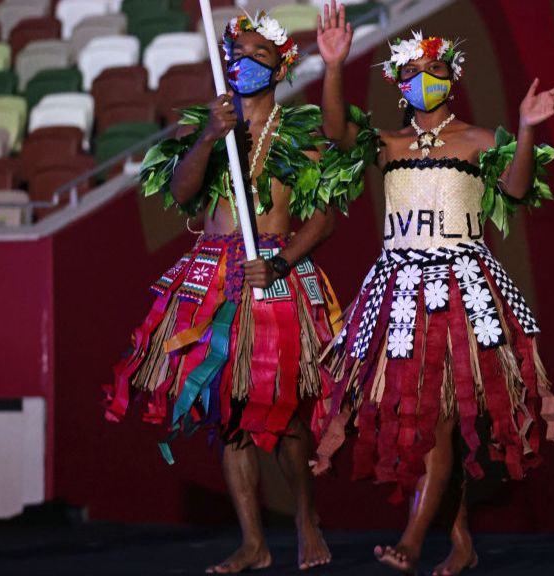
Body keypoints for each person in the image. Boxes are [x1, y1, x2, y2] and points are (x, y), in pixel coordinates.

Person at [311, 2, 554, 574]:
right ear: (399, 86)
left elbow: (517, 186)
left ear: (452, 79)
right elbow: (336, 134)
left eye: (434, 71)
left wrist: (528, 128)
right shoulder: (386, 142)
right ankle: (461, 543)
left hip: (461, 291)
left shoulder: (479, 139)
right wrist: (333, 66)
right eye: (411, 73)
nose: (423, 81)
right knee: (423, 419)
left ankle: (411, 539)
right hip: (396, 292)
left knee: (440, 420)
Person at [103, 11, 367, 573]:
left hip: (274, 268)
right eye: (234, 53)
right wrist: (208, 137)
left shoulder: (300, 133)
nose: (241, 62)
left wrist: (281, 265)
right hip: (212, 275)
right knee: (227, 412)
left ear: (280, 66)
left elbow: (324, 220)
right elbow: (182, 193)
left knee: (282, 408)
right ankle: (253, 541)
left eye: (255, 55)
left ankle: (304, 517)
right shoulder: (208, 123)